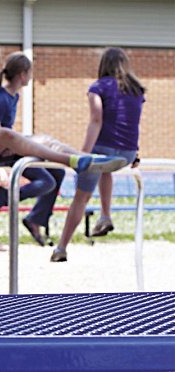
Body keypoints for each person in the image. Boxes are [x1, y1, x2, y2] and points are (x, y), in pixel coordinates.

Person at [0, 37, 127, 187]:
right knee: (7, 135)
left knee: (44, 139)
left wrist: (4, 142)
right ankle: (71, 161)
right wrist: (4, 140)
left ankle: (84, 158)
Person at [51, 47, 145, 262]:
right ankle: (105, 215)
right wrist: (136, 150)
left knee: (81, 198)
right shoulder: (137, 90)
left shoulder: (98, 87)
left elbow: (96, 120)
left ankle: (61, 248)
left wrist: (83, 154)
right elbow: (131, 121)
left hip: (103, 151)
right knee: (106, 169)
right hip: (127, 153)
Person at [0, 51, 66, 246]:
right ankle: (2, 198)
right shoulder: (2, 99)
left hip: (11, 146)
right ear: (23, 74)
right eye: (30, 73)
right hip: (3, 150)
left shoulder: (13, 97)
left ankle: (36, 219)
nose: (31, 77)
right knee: (46, 182)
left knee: (57, 173)